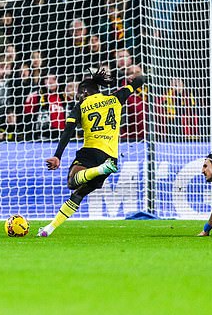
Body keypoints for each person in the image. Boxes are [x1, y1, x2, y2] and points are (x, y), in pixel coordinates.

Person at [38, 69, 143, 237]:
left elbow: (68, 130)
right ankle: (48, 229)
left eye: (79, 93)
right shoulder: (115, 98)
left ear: (85, 91)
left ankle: (101, 169)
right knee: (79, 193)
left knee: (73, 182)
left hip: (91, 151)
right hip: (110, 157)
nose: (78, 97)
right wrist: (135, 78)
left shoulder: (81, 105)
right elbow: (139, 81)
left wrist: (58, 155)